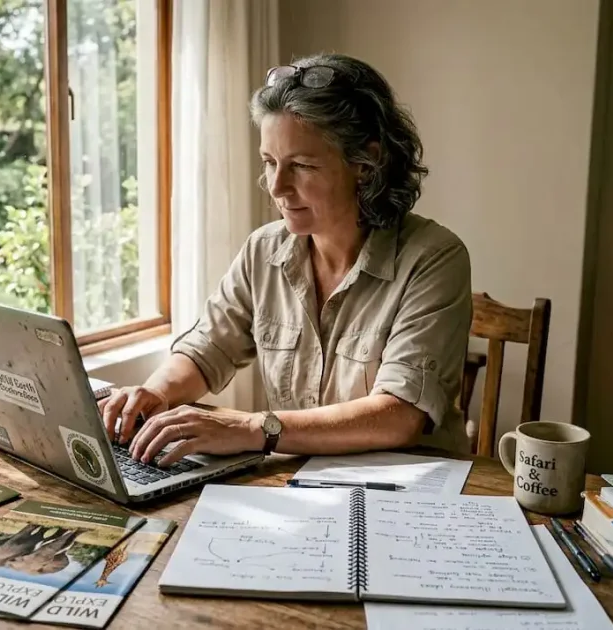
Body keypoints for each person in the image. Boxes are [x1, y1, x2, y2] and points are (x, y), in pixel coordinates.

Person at [98, 53, 473, 467]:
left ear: (366, 164)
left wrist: (251, 428)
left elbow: (399, 415)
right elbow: (207, 349)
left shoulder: (434, 258)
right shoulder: (263, 250)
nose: (276, 186)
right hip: (298, 481)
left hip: (411, 490)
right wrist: (156, 392)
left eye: (302, 165)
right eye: (270, 162)